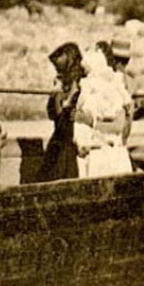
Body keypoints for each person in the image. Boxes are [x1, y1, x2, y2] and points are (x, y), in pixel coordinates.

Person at [74, 46, 134, 177]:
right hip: (91, 154)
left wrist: (91, 122)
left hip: (108, 154)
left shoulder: (113, 91)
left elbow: (118, 125)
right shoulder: (86, 92)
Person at [36, 42, 83, 182]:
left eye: (60, 69)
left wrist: (59, 96)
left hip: (69, 143)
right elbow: (53, 114)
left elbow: (63, 119)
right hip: (59, 141)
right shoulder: (63, 85)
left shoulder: (80, 87)